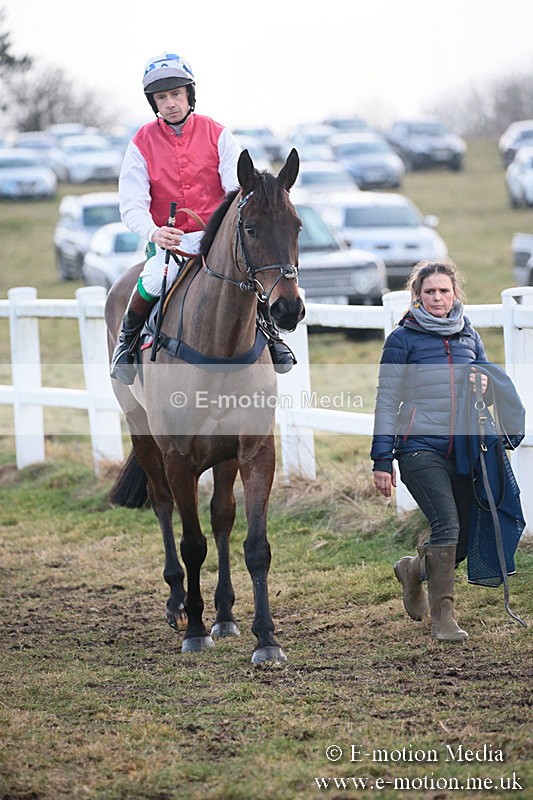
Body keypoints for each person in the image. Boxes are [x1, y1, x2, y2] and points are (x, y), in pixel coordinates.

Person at [111, 51, 295, 384]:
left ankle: (273, 337)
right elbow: (131, 205)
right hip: (172, 244)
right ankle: (126, 344)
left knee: (251, 279)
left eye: (175, 95)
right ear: (154, 102)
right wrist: (154, 233)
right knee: (152, 280)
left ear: (188, 95)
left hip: (216, 242)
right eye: (162, 97)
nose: (170, 103)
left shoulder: (218, 134)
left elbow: (236, 187)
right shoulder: (140, 143)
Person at [370, 259, 491, 642]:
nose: (437, 298)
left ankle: (413, 569)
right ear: (417, 296)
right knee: (447, 524)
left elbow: (488, 379)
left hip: (464, 449)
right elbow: (387, 399)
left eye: (444, 290)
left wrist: (485, 386)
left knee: (466, 532)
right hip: (418, 447)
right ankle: (444, 618)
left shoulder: (468, 334)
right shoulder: (402, 340)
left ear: (455, 294)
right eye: (429, 291)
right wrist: (381, 459)